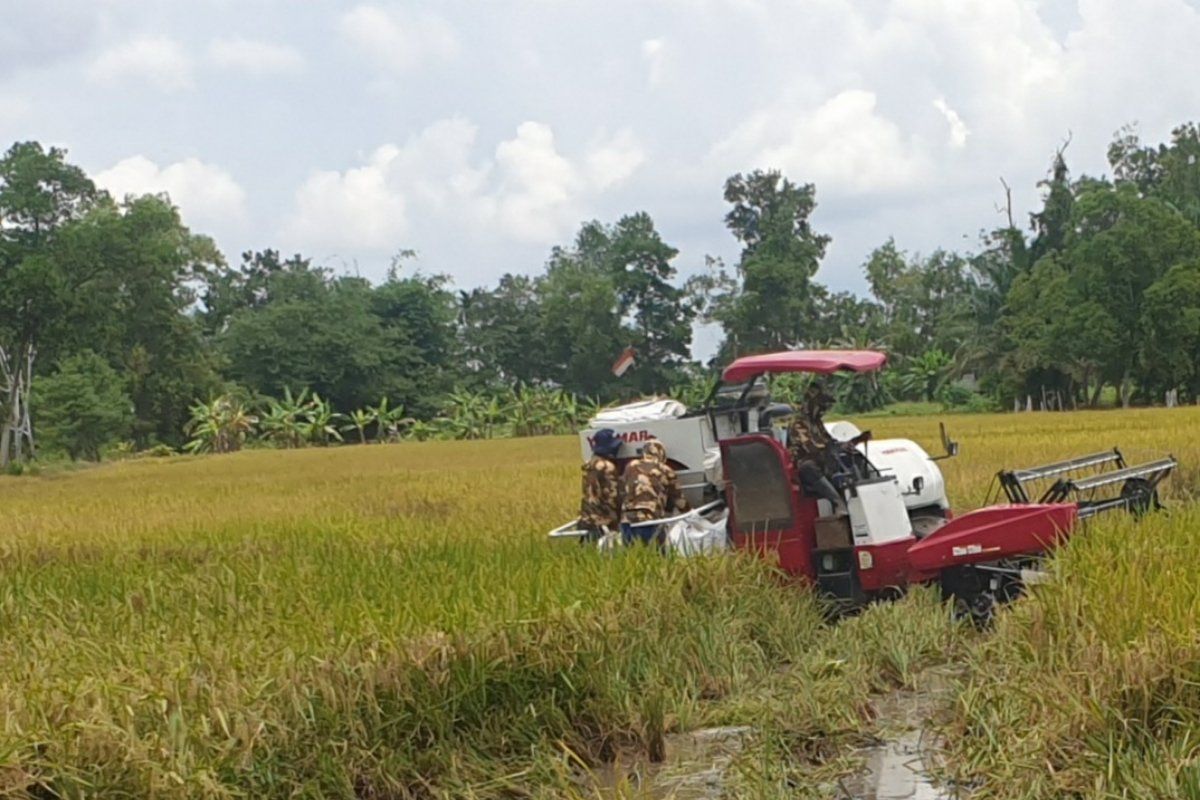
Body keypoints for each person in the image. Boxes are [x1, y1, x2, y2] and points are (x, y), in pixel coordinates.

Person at [787, 382, 850, 513]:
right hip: (804, 466)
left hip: (823, 462)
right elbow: (811, 448)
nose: (823, 409)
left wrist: (844, 446)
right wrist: (831, 448)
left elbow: (829, 440)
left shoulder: (816, 422)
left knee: (848, 458)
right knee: (808, 467)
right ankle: (837, 501)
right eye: (821, 404)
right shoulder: (798, 423)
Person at [620, 439, 689, 546]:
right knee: (656, 555)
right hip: (651, 521)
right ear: (661, 454)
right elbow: (679, 501)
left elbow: (622, 490)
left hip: (628, 521)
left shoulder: (630, 466)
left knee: (631, 558)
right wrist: (691, 513)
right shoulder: (665, 470)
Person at [579, 428, 623, 544]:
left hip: (587, 518)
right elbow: (613, 497)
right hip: (604, 521)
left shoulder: (589, 464)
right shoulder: (607, 467)